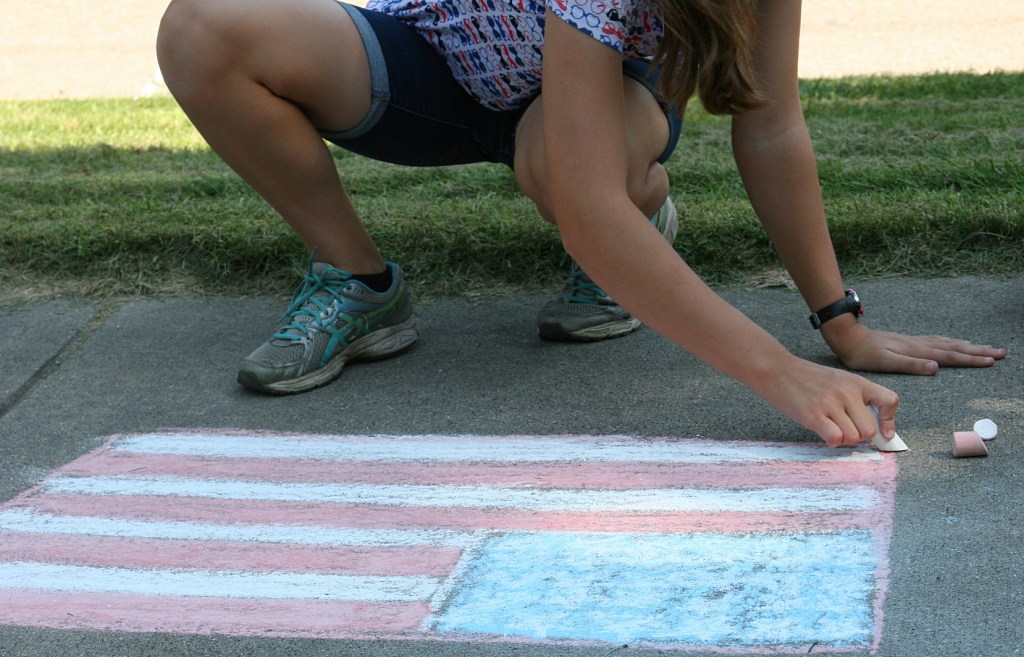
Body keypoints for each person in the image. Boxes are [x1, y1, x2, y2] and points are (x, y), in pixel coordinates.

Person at [156, 0, 1005, 446]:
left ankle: (639, 225)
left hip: (598, 101)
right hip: (429, 52)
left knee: (571, 178)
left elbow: (770, 119)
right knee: (202, 25)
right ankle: (359, 282)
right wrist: (786, 375)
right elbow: (591, 217)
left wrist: (840, 323)